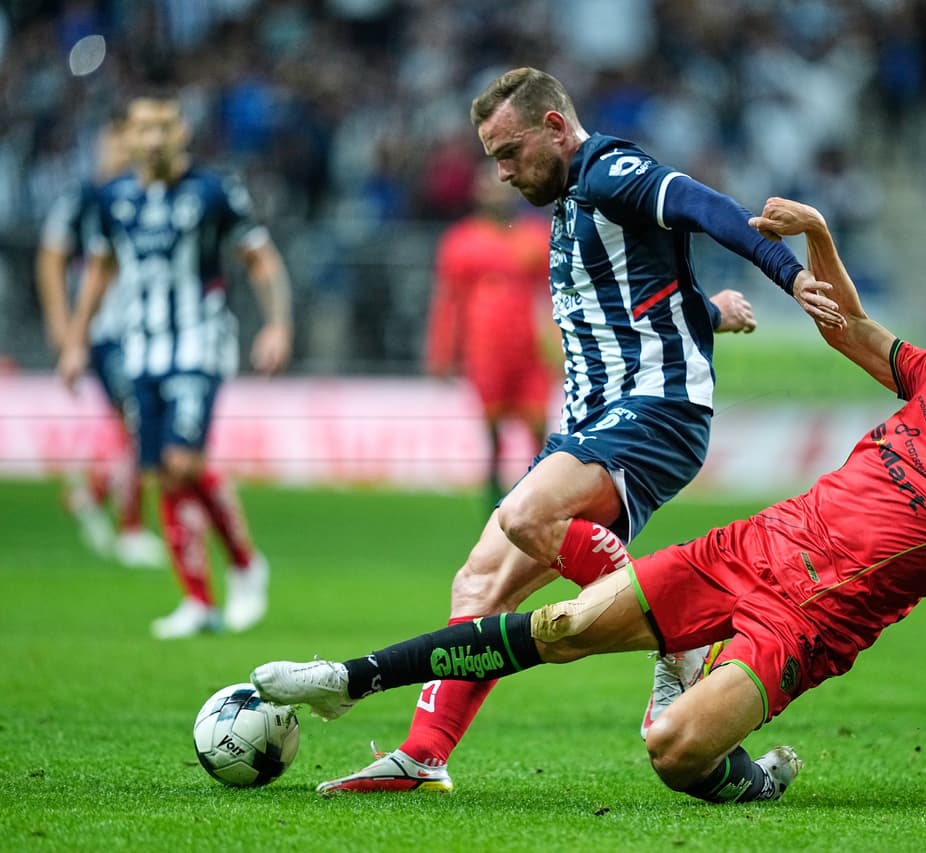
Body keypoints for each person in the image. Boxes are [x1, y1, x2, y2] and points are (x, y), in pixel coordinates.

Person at [252, 197, 926, 820]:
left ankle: (750, 777)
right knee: (557, 625)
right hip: (750, 548)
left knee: (673, 752)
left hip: (807, 625)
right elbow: (850, 328)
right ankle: (346, 680)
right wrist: (818, 235)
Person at [312, 66, 844, 795]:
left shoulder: (609, 172)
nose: (500, 173)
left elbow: (702, 204)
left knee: (528, 512)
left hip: (656, 412)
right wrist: (711, 311)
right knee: (479, 582)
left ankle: (679, 632)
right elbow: (634, 301)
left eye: (508, 151)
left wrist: (786, 272)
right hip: (597, 421)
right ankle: (423, 753)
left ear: (556, 127)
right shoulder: (568, 202)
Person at [57, 92, 293, 639]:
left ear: (182, 131)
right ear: (130, 137)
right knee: (163, 472)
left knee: (182, 463)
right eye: (143, 128)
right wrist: (74, 341)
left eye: (164, 126)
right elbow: (97, 271)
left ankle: (243, 563)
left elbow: (258, 256)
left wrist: (277, 324)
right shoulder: (113, 199)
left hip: (198, 342)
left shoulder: (213, 190)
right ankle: (199, 601)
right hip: (139, 349)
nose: (154, 137)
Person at [36, 112, 168, 569]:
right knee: (140, 419)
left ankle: (93, 491)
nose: (120, 152)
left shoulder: (149, 197)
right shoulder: (85, 200)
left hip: (149, 330)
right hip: (107, 333)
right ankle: (130, 527)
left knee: (141, 422)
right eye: (113, 144)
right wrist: (64, 326)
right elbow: (51, 259)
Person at [425, 170, 558, 506]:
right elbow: (449, 302)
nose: (496, 196)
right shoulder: (461, 241)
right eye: (489, 190)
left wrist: (561, 346)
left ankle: (538, 493)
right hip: (485, 350)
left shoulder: (537, 236)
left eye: (501, 190)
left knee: (538, 423)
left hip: (531, 349)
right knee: (493, 428)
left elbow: (556, 295)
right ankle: (493, 495)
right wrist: (442, 352)